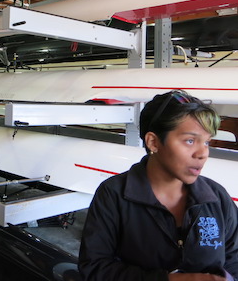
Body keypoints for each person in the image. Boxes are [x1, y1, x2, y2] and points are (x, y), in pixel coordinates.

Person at [79, 90, 238, 281]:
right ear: (153, 142)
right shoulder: (114, 195)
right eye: (190, 140)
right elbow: (94, 268)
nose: (203, 153)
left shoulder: (216, 198)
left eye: (206, 142)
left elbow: (234, 260)